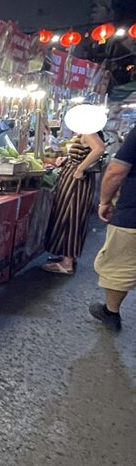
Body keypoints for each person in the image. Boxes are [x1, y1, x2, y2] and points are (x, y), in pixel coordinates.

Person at [90, 125, 136, 330]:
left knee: (118, 267)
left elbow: (116, 171)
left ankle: (111, 312)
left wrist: (104, 201)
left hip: (132, 215)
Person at [42, 129, 106, 274]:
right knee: (65, 215)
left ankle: (67, 263)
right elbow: (82, 154)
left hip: (76, 183)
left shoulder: (90, 132)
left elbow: (99, 149)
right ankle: (66, 256)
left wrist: (80, 169)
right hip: (73, 179)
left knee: (71, 217)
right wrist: (66, 159)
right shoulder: (85, 133)